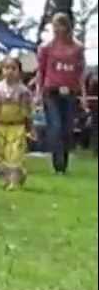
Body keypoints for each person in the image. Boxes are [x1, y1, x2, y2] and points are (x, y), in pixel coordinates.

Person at [36, 12, 85, 174]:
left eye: (60, 25)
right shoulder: (46, 48)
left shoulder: (77, 48)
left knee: (67, 128)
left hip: (70, 92)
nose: (57, 29)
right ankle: (57, 164)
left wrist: (83, 96)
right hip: (51, 91)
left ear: (67, 26)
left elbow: (80, 73)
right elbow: (40, 72)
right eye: (54, 25)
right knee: (55, 126)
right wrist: (38, 93)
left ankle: (63, 164)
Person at [0, 55, 33, 190]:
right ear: (1, 70)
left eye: (13, 68)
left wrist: (30, 129)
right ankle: (9, 178)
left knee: (15, 154)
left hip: (17, 126)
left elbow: (27, 113)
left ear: (19, 71)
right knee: (0, 155)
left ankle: (14, 182)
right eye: (6, 68)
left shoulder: (24, 91)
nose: (10, 71)